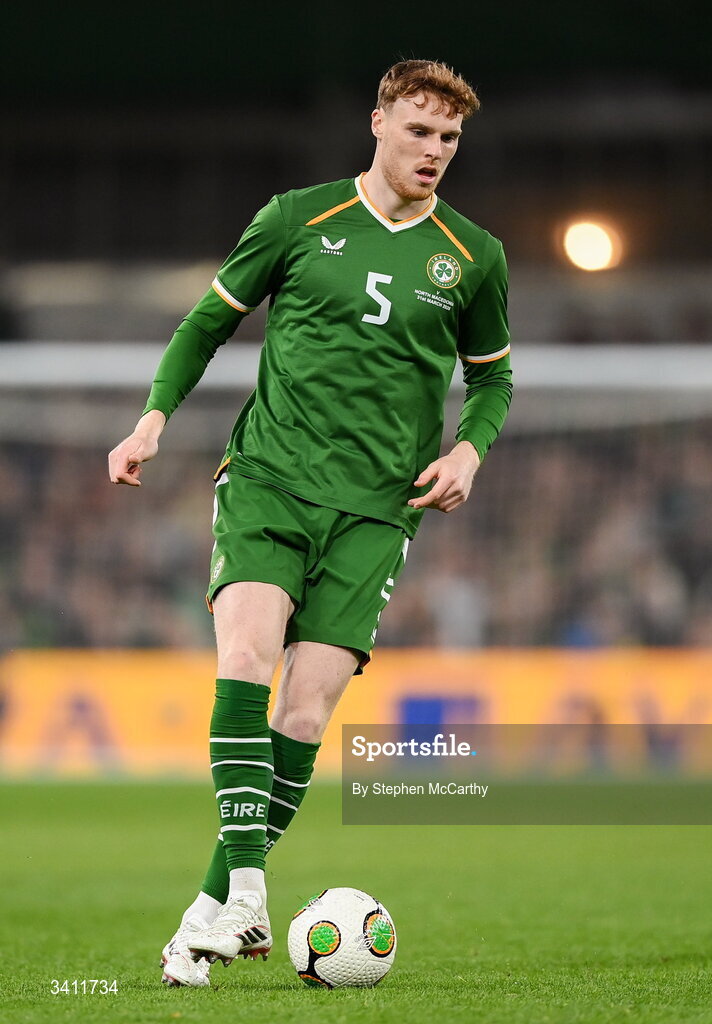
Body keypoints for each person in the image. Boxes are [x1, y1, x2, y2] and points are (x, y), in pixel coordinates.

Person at [108, 58, 512, 988]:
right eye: (419, 130)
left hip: (379, 509)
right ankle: (251, 891)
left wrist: (469, 450)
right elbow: (204, 326)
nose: (434, 150)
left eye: (449, 138)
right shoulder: (297, 218)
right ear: (378, 123)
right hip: (270, 480)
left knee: (305, 709)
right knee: (248, 659)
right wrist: (152, 419)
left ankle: (204, 917)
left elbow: (493, 378)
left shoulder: (473, 256)